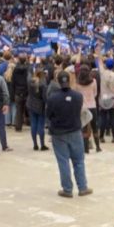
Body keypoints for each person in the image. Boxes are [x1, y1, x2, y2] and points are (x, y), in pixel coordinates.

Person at [46, 70, 92, 198]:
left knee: (63, 161)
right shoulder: (78, 96)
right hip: (75, 131)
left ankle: (67, 189)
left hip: (58, 133)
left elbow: (48, 115)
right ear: (70, 80)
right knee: (79, 161)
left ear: (58, 81)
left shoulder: (52, 98)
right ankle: (82, 187)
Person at [76, 64, 100, 153]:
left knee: (84, 128)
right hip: (92, 105)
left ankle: (85, 148)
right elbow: (95, 93)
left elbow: (77, 95)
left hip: (82, 107)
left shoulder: (77, 83)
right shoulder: (93, 81)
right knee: (95, 126)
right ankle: (98, 146)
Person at [26, 68, 49, 152]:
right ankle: (42, 144)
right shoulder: (43, 85)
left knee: (33, 124)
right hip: (40, 106)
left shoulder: (30, 82)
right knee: (40, 125)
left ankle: (35, 144)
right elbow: (44, 98)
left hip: (30, 104)